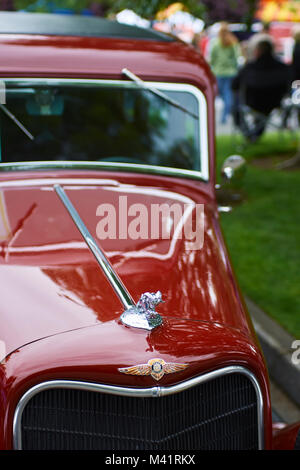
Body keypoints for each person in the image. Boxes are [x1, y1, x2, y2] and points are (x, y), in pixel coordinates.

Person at [232, 40, 291, 141]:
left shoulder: (249, 67)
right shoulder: (282, 67)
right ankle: (254, 134)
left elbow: (234, 85)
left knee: (235, 107)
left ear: (258, 51)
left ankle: (250, 134)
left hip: (252, 102)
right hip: (275, 102)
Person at [209, 22, 240, 124]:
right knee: (227, 94)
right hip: (231, 72)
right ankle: (226, 113)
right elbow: (237, 58)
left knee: (222, 94)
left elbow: (212, 58)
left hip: (219, 72)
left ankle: (224, 116)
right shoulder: (233, 42)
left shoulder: (216, 43)